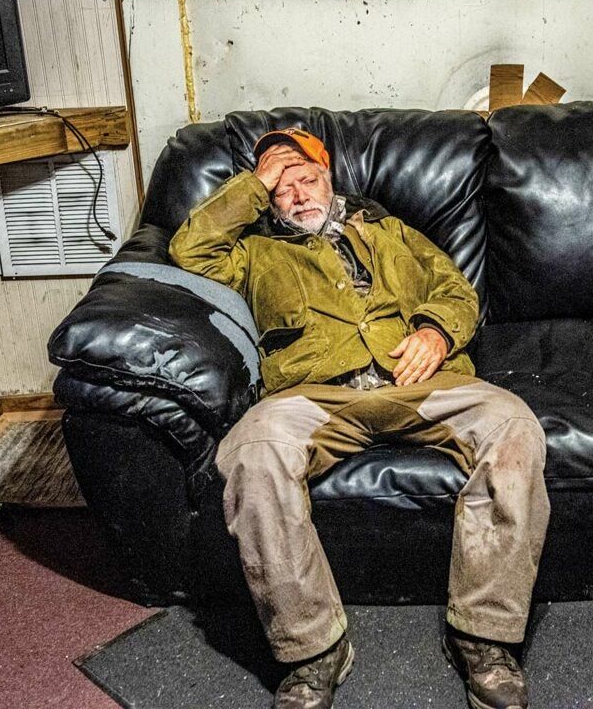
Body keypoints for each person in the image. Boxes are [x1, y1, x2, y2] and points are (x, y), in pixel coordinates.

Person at [169, 127, 550, 709]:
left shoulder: (390, 231)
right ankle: (313, 650)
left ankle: (483, 636)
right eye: (280, 186)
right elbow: (189, 251)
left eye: (305, 178)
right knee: (251, 455)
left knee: (514, 428)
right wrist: (255, 184)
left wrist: (435, 332)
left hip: (417, 381)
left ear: (328, 179)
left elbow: (454, 288)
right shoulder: (254, 252)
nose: (296, 193)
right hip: (315, 392)